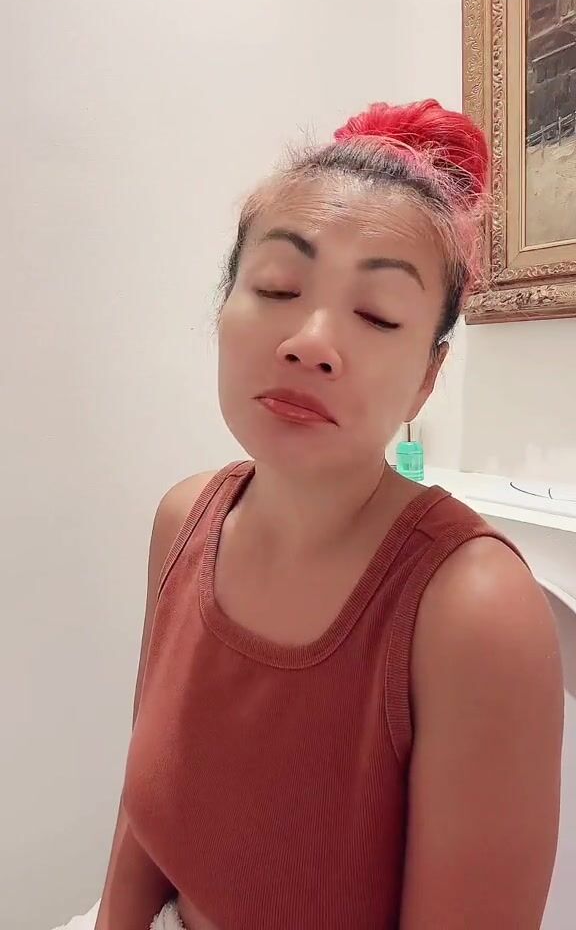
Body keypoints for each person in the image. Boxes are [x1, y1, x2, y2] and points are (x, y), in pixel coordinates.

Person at [91, 100, 564, 929]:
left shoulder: (474, 610)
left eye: (377, 314)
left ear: (427, 378)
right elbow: (145, 819)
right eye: (278, 286)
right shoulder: (184, 520)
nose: (311, 340)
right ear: (223, 309)